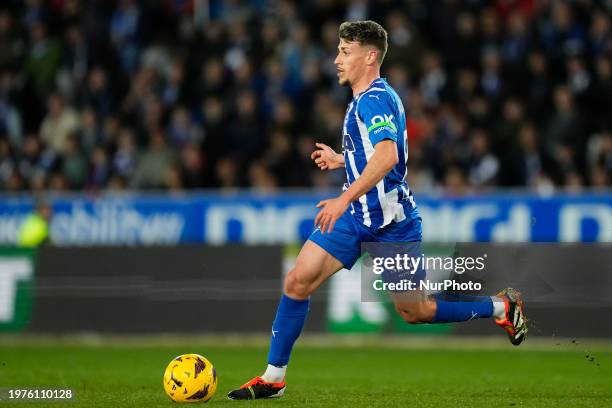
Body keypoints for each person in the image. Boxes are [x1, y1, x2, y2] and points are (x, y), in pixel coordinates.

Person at [227, 20, 527, 401]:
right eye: (338, 50)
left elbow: (388, 156)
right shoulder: (366, 98)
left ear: (370, 57)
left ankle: (500, 306)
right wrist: (343, 159)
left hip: (391, 225)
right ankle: (273, 378)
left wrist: (343, 198)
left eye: (344, 52)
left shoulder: (373, 99)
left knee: (415, 311)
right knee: (297, 281)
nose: (336, 59)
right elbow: (374, 153)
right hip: (356, 220)